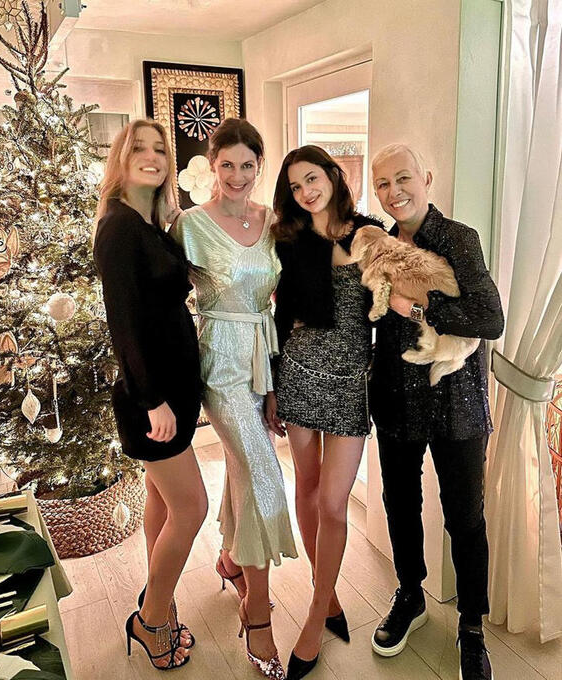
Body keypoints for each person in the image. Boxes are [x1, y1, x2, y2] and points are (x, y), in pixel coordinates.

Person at [369, 143, 504, 680]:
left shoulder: (458, 239)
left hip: (456, 399)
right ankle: (410, 594)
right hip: (395, 398)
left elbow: (489, 318)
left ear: (426, 178)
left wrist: (419, 302)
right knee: (399, 504)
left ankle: (471, 626)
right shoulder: (379, 246)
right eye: (383, 183)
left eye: (403, 178)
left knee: (465, 517)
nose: (394, 191)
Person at [172, 118, 296, 680]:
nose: (238, 176)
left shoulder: (273, 221)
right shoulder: (190, 224)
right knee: (264, 472)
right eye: (228, 165)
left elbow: (286, 294)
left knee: (243, 467)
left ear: (259, 166)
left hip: (262, 354)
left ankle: (230, 558)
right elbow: (161, 296)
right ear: (212, 165)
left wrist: (277, 378)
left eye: (248, 165)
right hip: (219, 359)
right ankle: (258, 612)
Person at [93, 119, 208, 671]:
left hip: (174, 388)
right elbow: (123, 324)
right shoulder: (118, 227)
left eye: (160, 149)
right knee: (193, 507)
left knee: (162, 502)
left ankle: (159, 596)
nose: (152, 156)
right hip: (153, 396)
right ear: (121, 158)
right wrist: (151, 400)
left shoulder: (150, 224)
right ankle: (151, 619)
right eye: (139, 147)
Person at [269, 145, 384, 680]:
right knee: (309, 486)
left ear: (334, 176)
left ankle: (315, 615)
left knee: (335, 504)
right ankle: (328, 593)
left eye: (311, 179)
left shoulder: (369, 233)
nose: (306, 192)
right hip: (298, 374)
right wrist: (272, 384)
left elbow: (394, 298)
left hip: (350, 385)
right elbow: (278, 315)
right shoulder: (289, 240)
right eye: (295, 187)